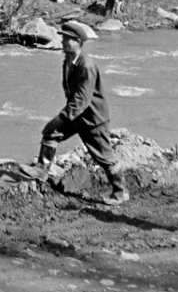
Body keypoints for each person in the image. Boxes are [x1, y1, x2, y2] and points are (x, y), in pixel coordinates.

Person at [26, 20, 129, 204]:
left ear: (78, 42)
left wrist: (62, 117)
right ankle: (41, 170)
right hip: (78, 114)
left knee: (104, 158)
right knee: (50, 132)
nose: (63, 41)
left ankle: (120, 192)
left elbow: (82, 99)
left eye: (67, 39)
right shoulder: (68, 59)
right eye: (63, 38)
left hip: (93, 119)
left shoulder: (86, 66)